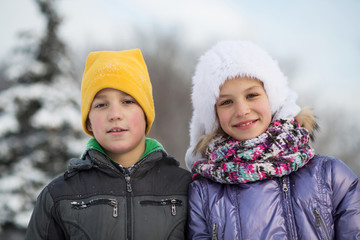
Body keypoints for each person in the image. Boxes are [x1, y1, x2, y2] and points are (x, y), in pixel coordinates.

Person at [185, 40, 360, 239]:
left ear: (273, 98)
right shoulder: (203, 194)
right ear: (213, 114)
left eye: (252, 95)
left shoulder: (330, 176)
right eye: (226, 102)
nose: (242, 110)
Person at [26, 49, 191, 239]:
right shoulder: (58, 196)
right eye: (101, 105)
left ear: (146, 113)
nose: (115, 114)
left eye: (127, 101)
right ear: (88, 121)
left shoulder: (184, 188)